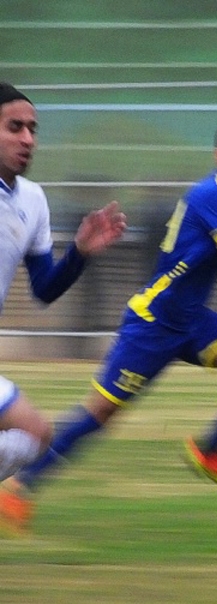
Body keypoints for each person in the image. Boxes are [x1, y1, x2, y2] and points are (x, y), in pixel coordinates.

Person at [0, 118, 217, 528]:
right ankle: (20, 486)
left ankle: (210, 451)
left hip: (191, 320)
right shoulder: (214, 194)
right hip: (153, 323)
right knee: (99, 414)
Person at [0, 83, 127, 489]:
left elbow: (44, 289)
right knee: (35, 432)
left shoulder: (33, 200)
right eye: (14, 127)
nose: (28, 139)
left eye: (33, 129)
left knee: (36, 437)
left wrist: (79, 253)